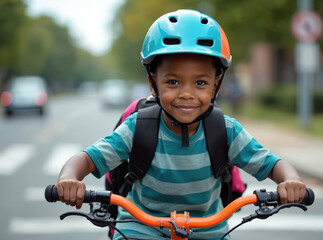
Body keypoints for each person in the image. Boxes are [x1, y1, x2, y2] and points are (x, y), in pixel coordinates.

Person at [55, 9, 306, 240]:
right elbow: (87, 159)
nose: (187, 93)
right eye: (173, 82)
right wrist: (69, 178)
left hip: (208, 229)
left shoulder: (226, 131)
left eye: (200, 83)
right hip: (141, 228)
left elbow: (272, 164)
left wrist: (290, 180)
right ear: (153, 83)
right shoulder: (137, 128)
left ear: (216, 85)